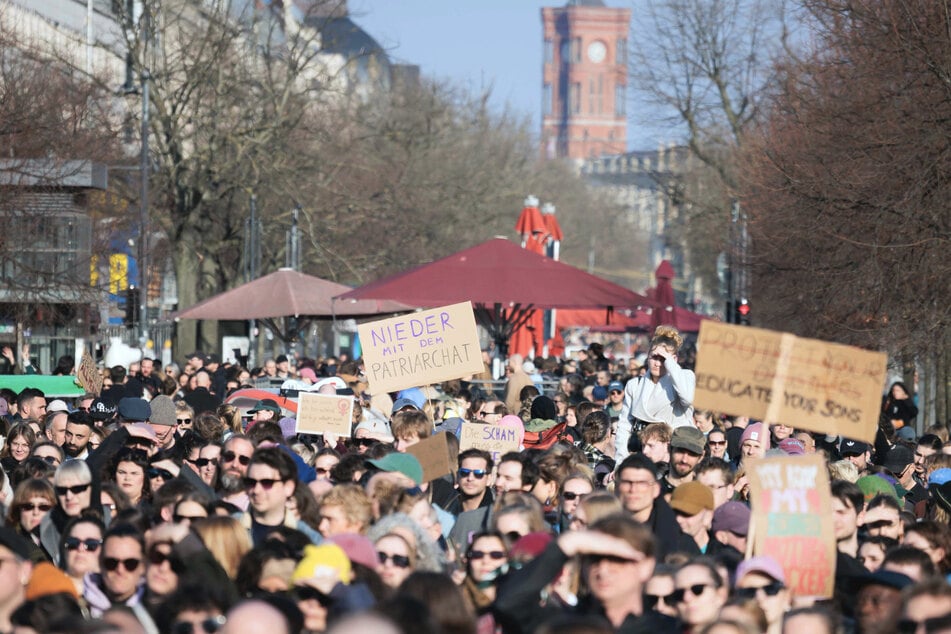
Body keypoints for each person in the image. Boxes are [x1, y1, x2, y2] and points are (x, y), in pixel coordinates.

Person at [494, 514, 678, 633]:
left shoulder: (670, 629)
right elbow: (508, 604)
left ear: (646, 566)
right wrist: (568, 544)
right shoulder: (562, 624)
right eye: (594, 558)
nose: (603, 570)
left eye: (617, 559)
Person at [616, 326, 695, 461]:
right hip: (644, 450)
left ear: (674, 359)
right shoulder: (634, 385)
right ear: (647, 357)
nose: (658, 363)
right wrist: (620, 461)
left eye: (663, 359)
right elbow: (624, 426)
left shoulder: (685, 377)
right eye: (654, 357)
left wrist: (670, 362)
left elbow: (687, 398)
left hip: (676, 451)